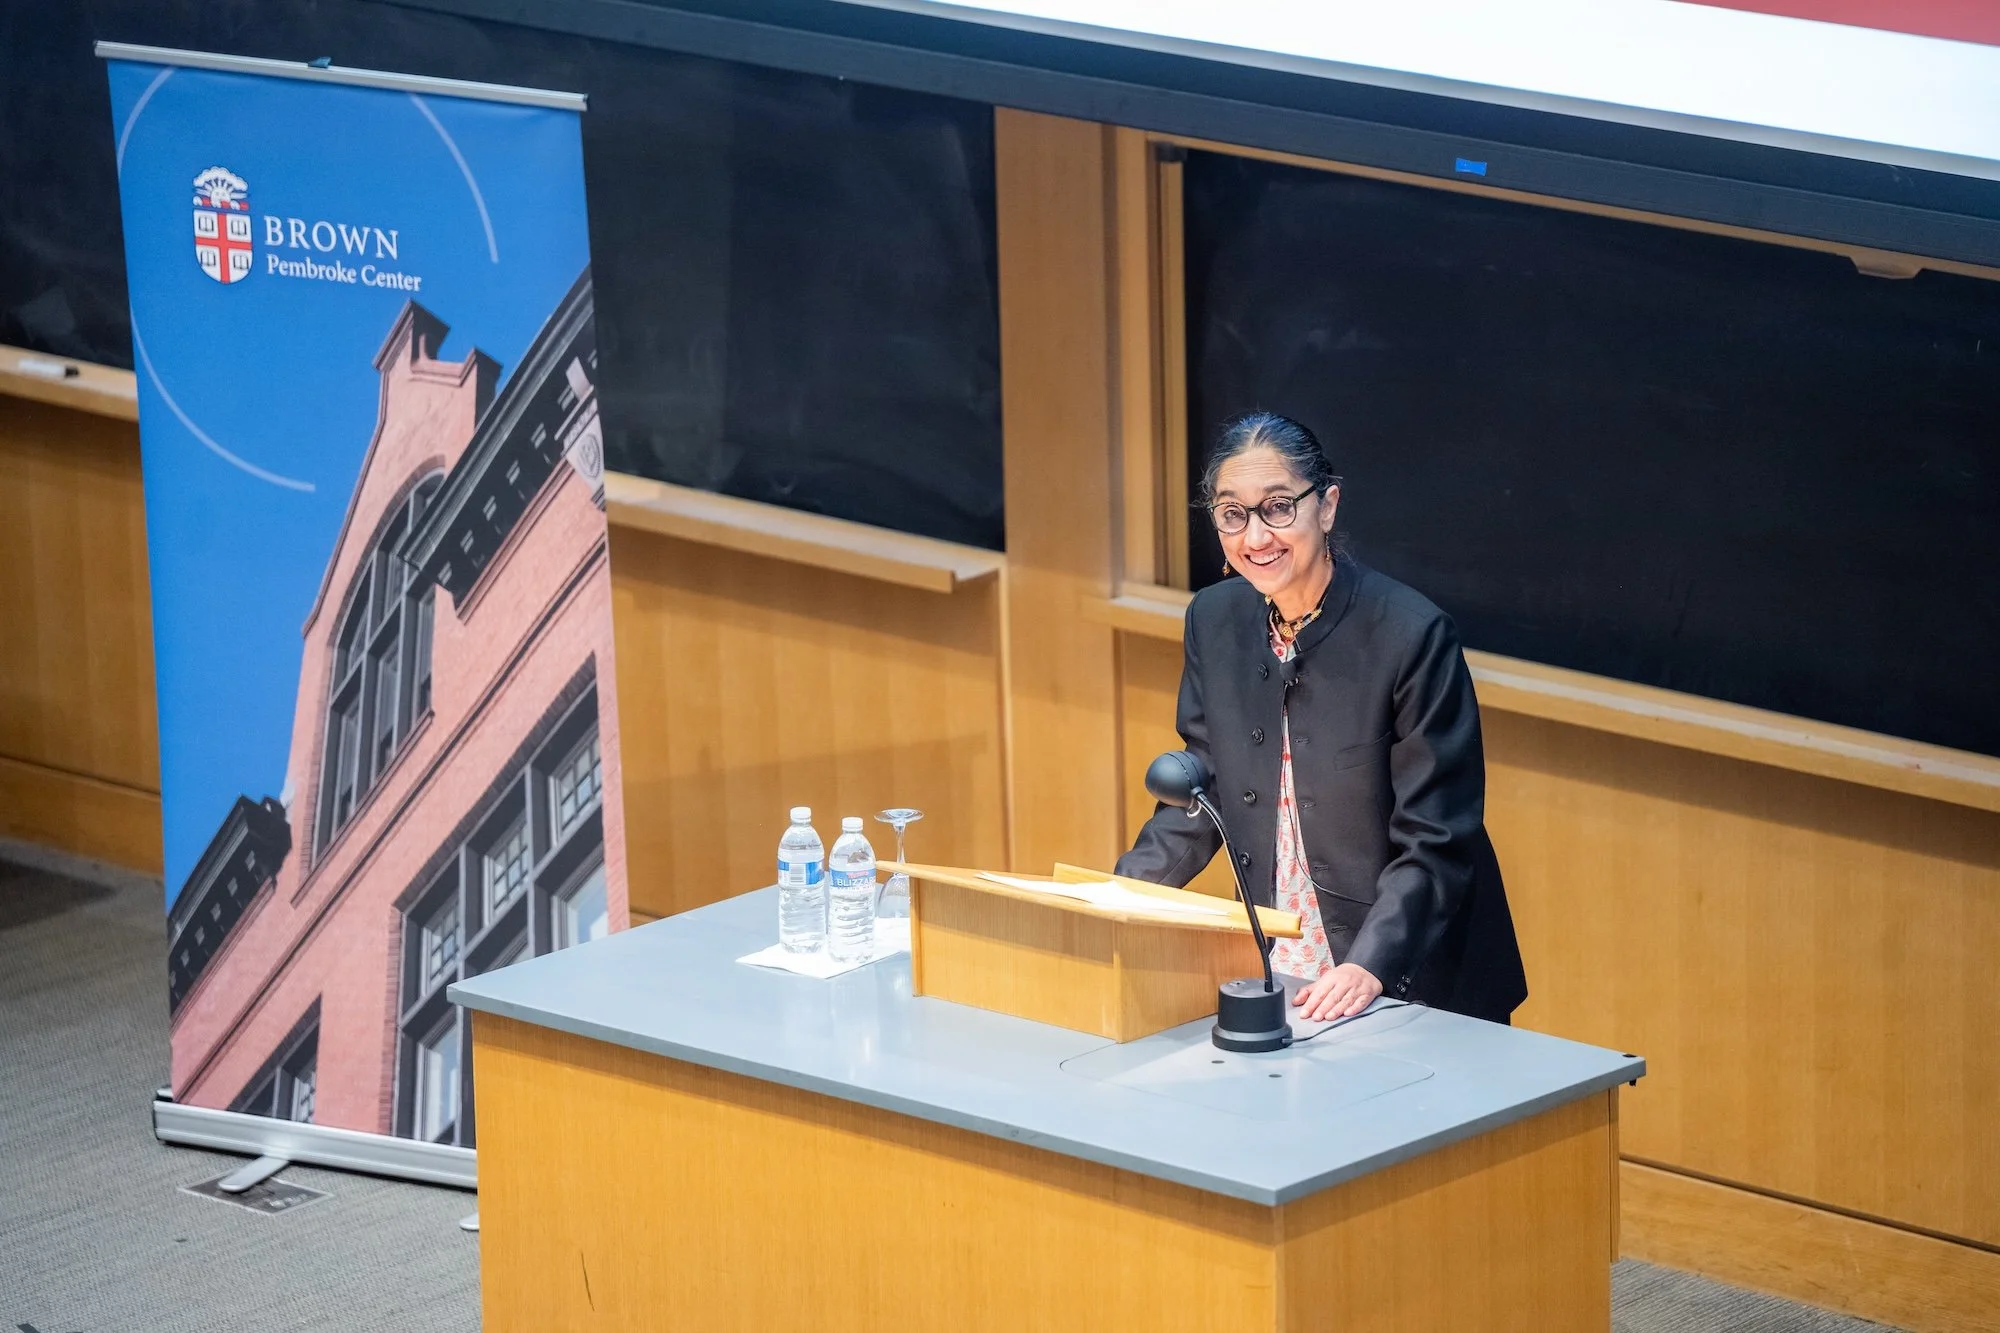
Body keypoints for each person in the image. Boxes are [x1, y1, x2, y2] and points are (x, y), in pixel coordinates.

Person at [1116, 412, 1527, 1024]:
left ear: (1327, 506)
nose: (1256, 538)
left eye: (1278, 507)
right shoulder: (1214, 618)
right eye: (1232, 514)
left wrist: (1370, 965)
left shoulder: (1411, 635)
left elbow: (1437, 838)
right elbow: (1206, 786)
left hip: (1408, 969)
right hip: (1279, 953)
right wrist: (1121, 897)